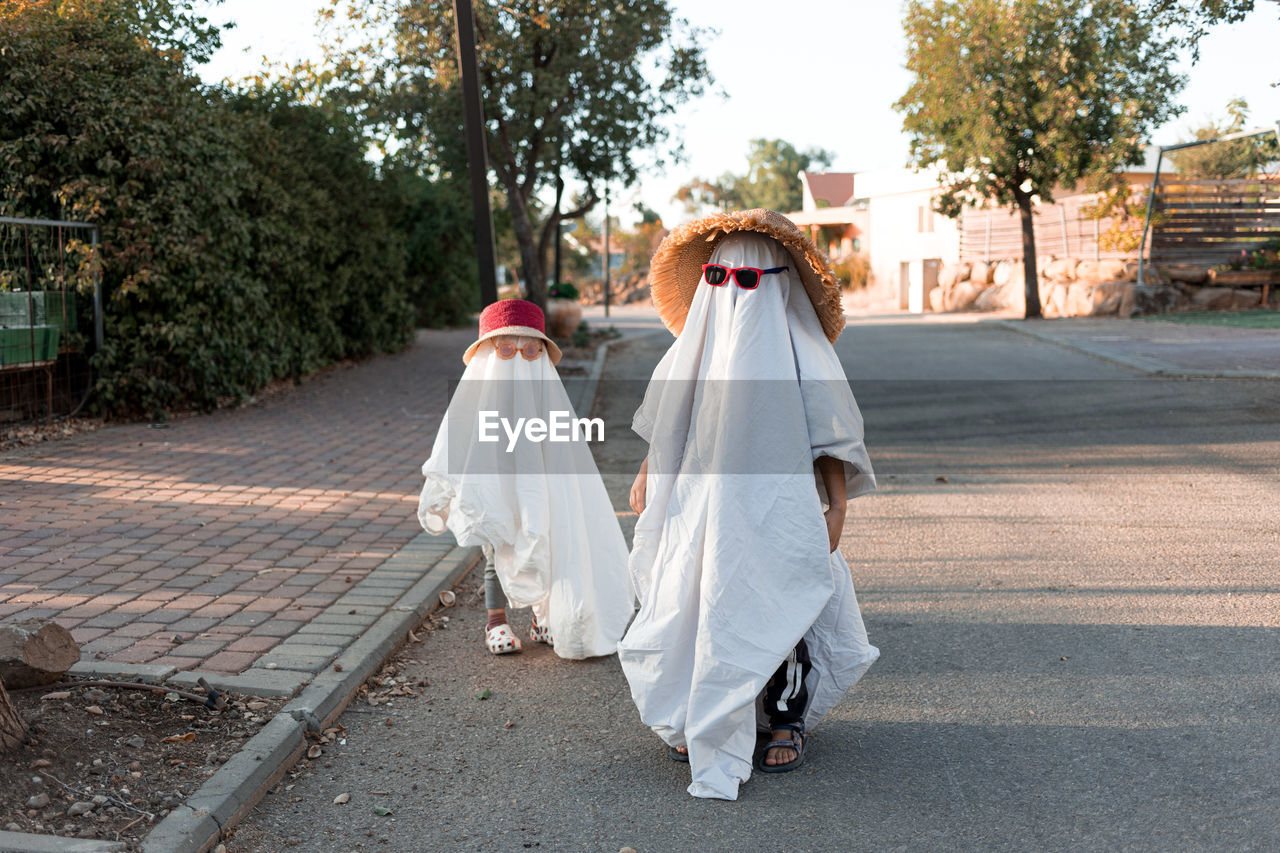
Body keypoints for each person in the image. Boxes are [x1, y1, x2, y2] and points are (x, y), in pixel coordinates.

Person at [618, 209, 879, 800]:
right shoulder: (697, 349)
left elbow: (826, 430)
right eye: (720, 278)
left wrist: (837, 505)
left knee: (778, 598)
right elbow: (671, 421)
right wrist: (646, 472)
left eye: (750, 280)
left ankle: (784, 716)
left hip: (777, 505)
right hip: (699, 501)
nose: (733, 293)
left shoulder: (799, 353)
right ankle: (700, 706)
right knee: (692, 592)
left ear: (780, 283)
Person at [418, 299, 633, 659]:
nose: (518, 357)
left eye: (530, 350)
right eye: (506, 349)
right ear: (488, 353)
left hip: (537, 484)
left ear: (542, 355)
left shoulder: (545, 398)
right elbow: (454, 439)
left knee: (543, 537)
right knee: (497, 547)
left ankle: (540, 616)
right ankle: (495, 620)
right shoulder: (477, 398)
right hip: (494, 485)